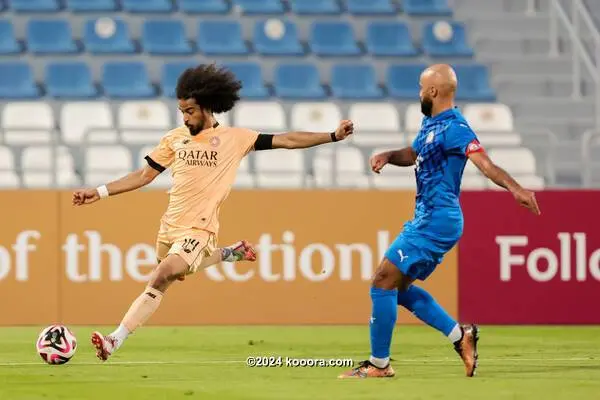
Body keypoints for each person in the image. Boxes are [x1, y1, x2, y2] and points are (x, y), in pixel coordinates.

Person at [72, 64, 354, 362]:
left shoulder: (236, 138)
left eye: (190, 111)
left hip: (200, 228)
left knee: (161, 274)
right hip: (169, 227)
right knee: (171, 277)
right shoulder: (175, 138)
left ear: (207, 107)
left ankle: (114, 340)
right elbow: (144, 176)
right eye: (181, 111)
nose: (185, 117)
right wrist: (100, 191)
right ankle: (232, 253)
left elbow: (288, 140)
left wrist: (332, 135)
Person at [338, 64, 540, 379]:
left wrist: (515, 189)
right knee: (397, 289)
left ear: (432, 91)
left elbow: (484, 164)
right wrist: (390, 155)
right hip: (428, 217)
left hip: (438, 219)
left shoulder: (456, 128)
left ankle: (379, 364)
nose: (419, 93)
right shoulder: (430, 124)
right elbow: (414, 153)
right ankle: (461, 336)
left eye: (421, 87)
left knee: (382, 280)